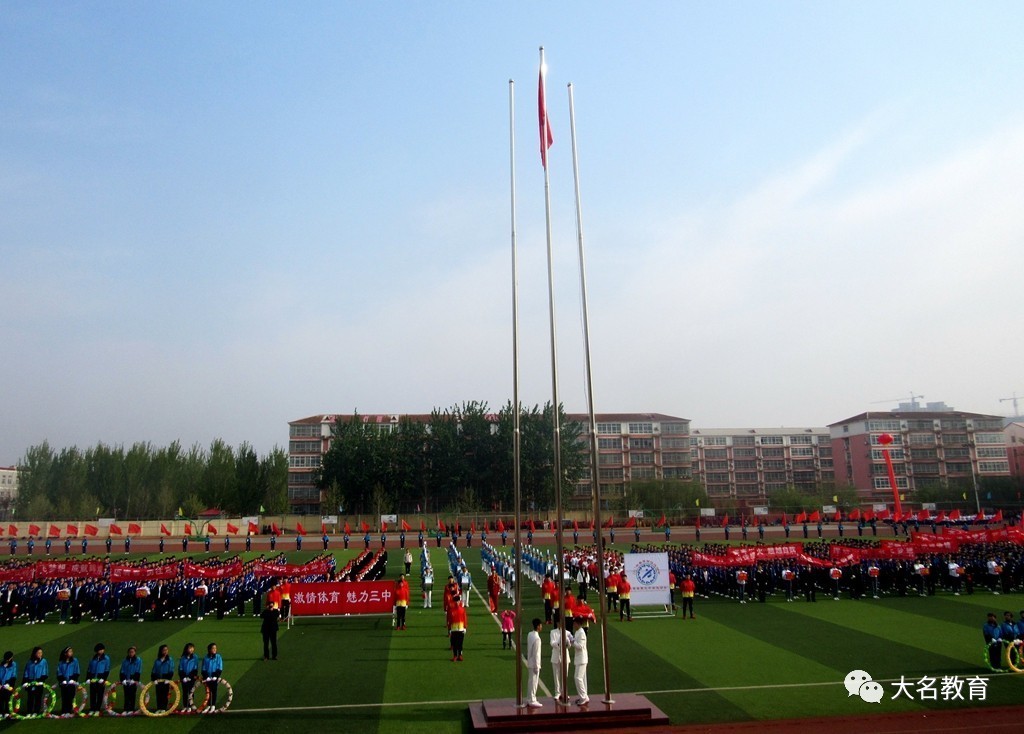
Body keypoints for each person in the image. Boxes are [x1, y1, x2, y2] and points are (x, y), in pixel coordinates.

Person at [549, 622, 573, 702]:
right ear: (558, 623)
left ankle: (564, 692)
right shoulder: (553, 632)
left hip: (565, 656)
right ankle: (557, 692)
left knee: (565, 675)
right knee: (556, 675)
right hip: (556, 655)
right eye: (559, 623)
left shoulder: (568, 632)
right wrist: (558, 643)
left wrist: (567, 643)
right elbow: (552, 643)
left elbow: (570, 645)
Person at [22, 647, 49, 716]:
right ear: (35, 653)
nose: (40, 654)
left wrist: (41, 680)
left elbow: (45, 672)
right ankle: (29, 712)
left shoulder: (43, 661)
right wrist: (25, 682)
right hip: (30, 682)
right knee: (30, 697)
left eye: (41, 653)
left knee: (38, 697)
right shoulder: (29, 662)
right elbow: (26, 672)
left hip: (39, 683)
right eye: (38, 653)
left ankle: (36, 711)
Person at [56, 646, 80, 717]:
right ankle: (64, 711)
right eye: (70, 652)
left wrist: (73, 679)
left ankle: (69, 710)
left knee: (70, 696)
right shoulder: (61, 662)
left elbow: (77, 671)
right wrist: (62, 680)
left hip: (71, 683)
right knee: (64, 697)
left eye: (72, 651)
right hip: (64, 683)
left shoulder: (75, 661)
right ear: (65, 653)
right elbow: (59, 672)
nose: (71, 653)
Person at [86, 643, 110, 714]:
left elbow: (107, 670)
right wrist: (88, 678)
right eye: (100, 650)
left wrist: (104, 679)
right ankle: (92, 709)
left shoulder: (106, 658)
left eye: (102, 649)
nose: (102, 651)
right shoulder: (93, 658)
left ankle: (97, 709)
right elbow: (89, 669)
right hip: (93, 678)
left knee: (100, 694)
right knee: (92, 694)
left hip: (101, 679)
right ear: (97, 651)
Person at [150, 644, 175, 713]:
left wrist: (168, 679)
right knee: (159, 694)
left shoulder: (170, 660)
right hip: (158, 679)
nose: (165, 651)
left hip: (165, 679)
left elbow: (171, 670)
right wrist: (154, 679)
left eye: (166, 650)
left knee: (164, 693)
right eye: (164, 650)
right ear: (161, 651)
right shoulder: (157, 660)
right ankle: (159, 708)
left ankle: (164, 708)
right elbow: (154, 670)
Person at [572, 616, 589, 705]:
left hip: (582, 658)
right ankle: (584, 696)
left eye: (575, 623)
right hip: (579, 658)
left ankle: (583, 697)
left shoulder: (581, 633)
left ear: (578, 624)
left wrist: (572, 641)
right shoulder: (578, 632)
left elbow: (580, 646)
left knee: (577, 678)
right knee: (581, 678)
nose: (574, 625)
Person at [200, 643, 223, 713]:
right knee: (208, 691)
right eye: (213, 648)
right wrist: (206, 677)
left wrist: (215, 676)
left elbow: (220, 667)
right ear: (209, 649)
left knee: (214, 691)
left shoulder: (218, 657)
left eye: (215, 648)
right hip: (207, 678)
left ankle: (213, 705)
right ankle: (208, 705)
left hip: (214, 678)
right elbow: (203, 668)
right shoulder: (205, 658)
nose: (215, 650)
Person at [525, 618, 543, 708]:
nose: (541, 627)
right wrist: (537, 665)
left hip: (530, 661)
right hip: (534, 663)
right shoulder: (537, 638)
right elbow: (536, 653)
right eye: (540, 625)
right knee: (534, 682)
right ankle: (532, 699)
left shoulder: (530, 634)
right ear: (538, 626)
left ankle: (530, 698)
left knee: (531, 681)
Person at [119, 646, 142, 714]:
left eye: (132, 652)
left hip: (133, 679)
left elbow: (138, 670)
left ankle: (131, 709)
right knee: (126, 694)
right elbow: (122, 670)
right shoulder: (125, 661)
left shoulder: (138, 660)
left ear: (135, 652)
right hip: (126, 679)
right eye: (130, 652)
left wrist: (135, 680)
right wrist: (123, 680)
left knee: (132, 694)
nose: (131, 653)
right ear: (128, 653)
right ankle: (126, 709)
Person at [178, 642, 199, 712]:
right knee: (184, 691)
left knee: (191, 691)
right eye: (190, 648)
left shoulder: (195, 657)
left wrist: (190, 676)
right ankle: (185, 706)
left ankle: (190, 705)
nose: (192, 649)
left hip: (191, 677)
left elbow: (195, 668)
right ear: (186, 649)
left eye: (192, 648)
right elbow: (180, 668)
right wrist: (183, 677)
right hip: (184, 678)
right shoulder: (182, 658)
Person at [449, 597, 467, 662]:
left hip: (460, 629)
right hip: (454, 629)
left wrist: (465, 627)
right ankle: (455, 656)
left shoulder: (462, 610)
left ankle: (460, 655)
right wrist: (449, 629)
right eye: (456, 601)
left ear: (459, 601)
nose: (457, 602)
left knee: (460, 643)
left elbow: (464, 618)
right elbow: (450, 620)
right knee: (454, 644)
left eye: (458, 601)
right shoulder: (451, 610)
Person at [0, 651, 16, 717]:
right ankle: (1, 712)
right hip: (1, 684)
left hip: (8, 685)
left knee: (7, 698)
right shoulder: (1, 665)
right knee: (0, 698)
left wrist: (9, 684)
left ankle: (7, 712)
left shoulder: (13, 664)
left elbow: (14, 675)